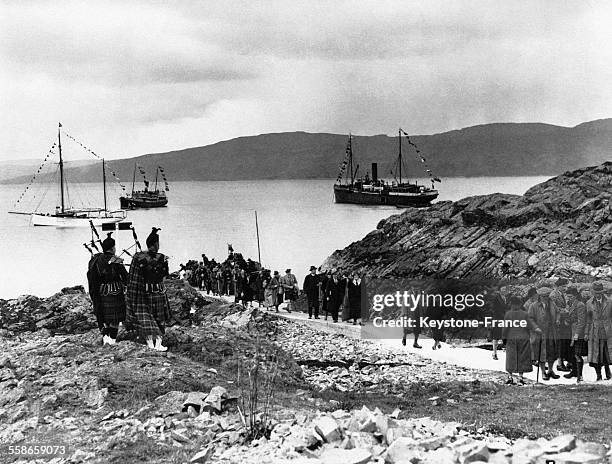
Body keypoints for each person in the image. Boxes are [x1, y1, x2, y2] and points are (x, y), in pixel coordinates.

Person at [126, 227, 171, 352]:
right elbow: (164, 274)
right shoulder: (162, 258)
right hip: (159, 294)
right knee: (159, 319)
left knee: (147, 318)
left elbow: (133, 278)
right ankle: (159, 344)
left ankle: (150, 343)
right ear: (155, 244)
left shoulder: (138, 258)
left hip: (144, 295)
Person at [87, 232, 128, 345]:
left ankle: (106, 338)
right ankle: (112, 341)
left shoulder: (96, 259)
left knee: (105, 318)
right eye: (114, 247)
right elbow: (125, 276)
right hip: (115, 292)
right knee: (115, 319)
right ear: (112, 248)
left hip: (101, 292)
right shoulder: (116, 260)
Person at [503, 295, 542, 384]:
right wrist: (537, 329)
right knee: (522, 358)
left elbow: (505, 329)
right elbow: (531, 324)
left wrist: (504, 339)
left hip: (511, 338)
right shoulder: (525, 314)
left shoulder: (508, 314)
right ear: (519, 304)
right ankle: (520, 378)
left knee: (510, 358)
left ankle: (510, 377)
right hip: (523, 338)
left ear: (511, 304)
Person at [527, 286, 559, 380]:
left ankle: (550, 370)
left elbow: (557, 313)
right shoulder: (533, 306)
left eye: (547, 296)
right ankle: (543, 372)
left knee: (551, 352)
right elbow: (530, 319)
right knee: (542, 353)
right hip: (540, 333)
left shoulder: (552, 304)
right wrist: (536, 328)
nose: (546, 298)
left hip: (551, 332)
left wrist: (557, 319)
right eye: (544, 296)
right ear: (540, 296)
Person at [586, 281, 612, 381]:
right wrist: (586, 333)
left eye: (599, 292)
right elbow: (588, 319)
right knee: (596, 355)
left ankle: (608, 373)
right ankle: (598, 375)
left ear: (602, 292)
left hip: (607, 331)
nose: (597, 295)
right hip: (595, 332)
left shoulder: (610, 302)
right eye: (596, 293)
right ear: (593, 292)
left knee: (606, 353)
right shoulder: (589, 303)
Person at [550, 278, 572, 372]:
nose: (565, 288)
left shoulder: (563, 294)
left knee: (564, 342)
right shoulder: (553, 295)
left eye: (565, 286)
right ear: (558, 286)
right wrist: (565, 310)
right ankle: (559, 364)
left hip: (565, 321)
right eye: (563, 286)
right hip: (557, 322)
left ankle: (565, 361)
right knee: (559, 343)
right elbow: (553, 308)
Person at [567, 286, 588, 382]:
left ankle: (580, 375)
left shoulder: (580, 305)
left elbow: (582, 322)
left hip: (578, 332)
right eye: (568, 296)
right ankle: (575, 372)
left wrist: (577, 334)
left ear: (575, 296)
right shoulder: (572, 304)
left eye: (570, 296)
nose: (569, 298)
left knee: (577, 354)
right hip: (572, 330)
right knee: (572, 353)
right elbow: (573, 318)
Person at [486, 284, 508, 360]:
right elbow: (494, 309)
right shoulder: (496, 298)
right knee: (496, 336)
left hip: (504, 318)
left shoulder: (506, 298)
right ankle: (494, 353)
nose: (504, 291)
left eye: (505, 289)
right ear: (499, 290)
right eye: (503, 289)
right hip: (497, 318)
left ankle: (505, 350)